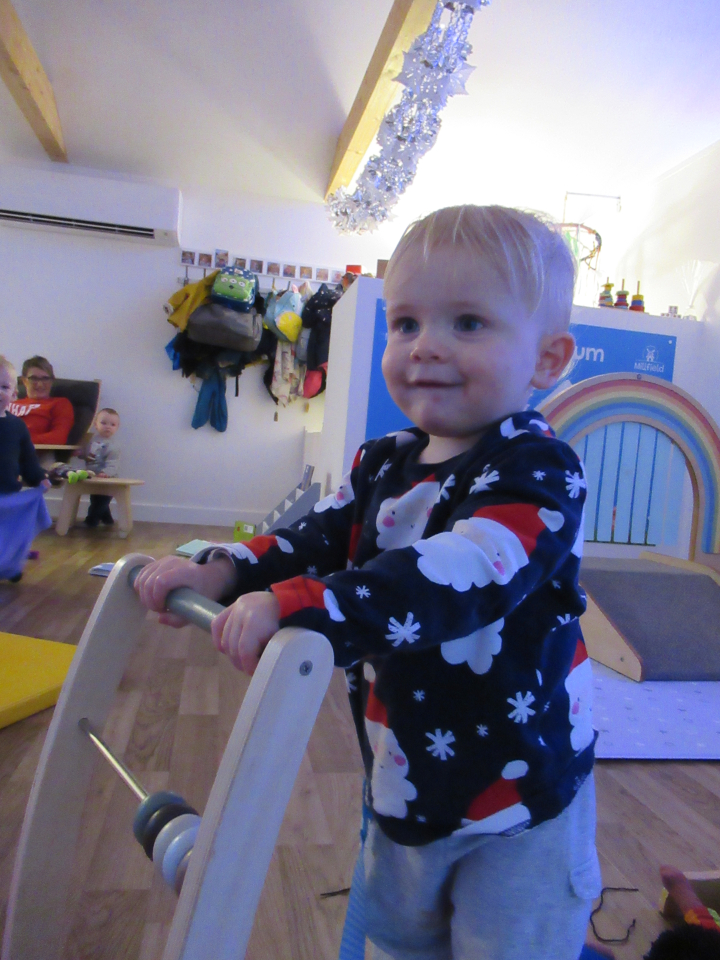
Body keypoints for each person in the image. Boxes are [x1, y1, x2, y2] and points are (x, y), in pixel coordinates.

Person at [135, 205, 599, 960]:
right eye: (406, 322)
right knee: (396, 939)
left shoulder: (538, 470)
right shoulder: (382, 461)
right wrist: (225, 566)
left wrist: (305, 605)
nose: (425, 346)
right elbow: (316, 537)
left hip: (521, 799)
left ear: (547, 360)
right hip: (404, 776)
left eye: (468, 323)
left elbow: (459, 573)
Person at [0, 356, 51, 581]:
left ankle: (10, 564)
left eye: (4, 387)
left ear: (13, 394)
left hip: (8, 493)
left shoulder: (17, 426)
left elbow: (28, 459)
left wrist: (39, 478)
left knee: (9, 532)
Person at [9, 356, 74, 445]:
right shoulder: (9, 403)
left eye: (45, 378)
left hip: (31, 451)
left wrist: (16, 440)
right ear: (24, 381)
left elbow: (58, 437)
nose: (40, 384)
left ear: (52, 381)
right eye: (34, 378)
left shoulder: (60, 404)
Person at [81, 408, 120, 527]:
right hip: (94, 477)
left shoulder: (113, 446)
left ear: (117, 427)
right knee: (95, 499)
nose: (108, 427)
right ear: (95, 424)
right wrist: (80, 453)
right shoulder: (92, 440)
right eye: (103, 423)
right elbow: (87, 455)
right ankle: (107, 519)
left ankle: (91, 521)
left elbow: (113, 463)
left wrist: (106, 472)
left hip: (108, 479)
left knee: (101, 501)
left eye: (112, 424)